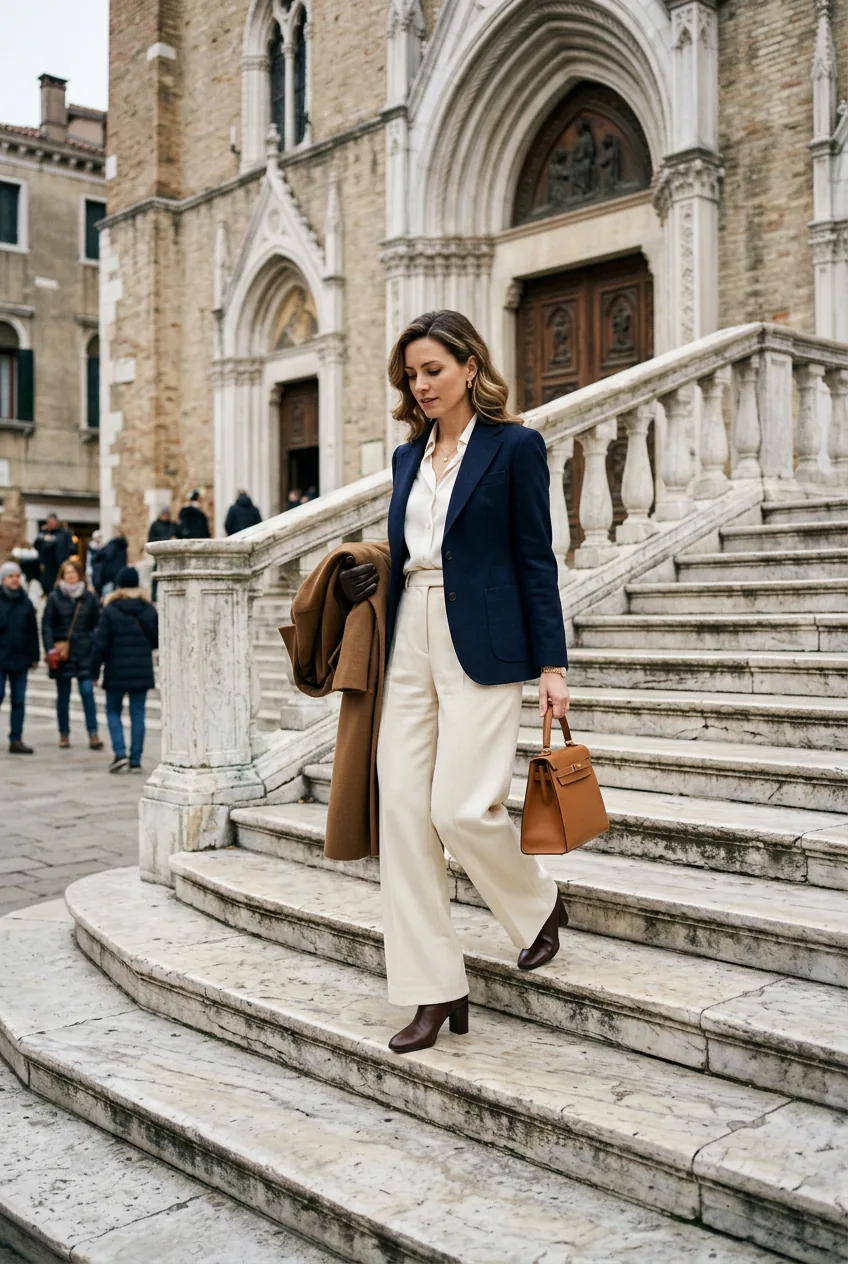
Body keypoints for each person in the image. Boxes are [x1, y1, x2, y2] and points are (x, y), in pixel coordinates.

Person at [339, 309, 570, 1056]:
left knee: (461, 809)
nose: (421, 385)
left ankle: (538, 907)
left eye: (433, 370)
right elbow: (408, 547)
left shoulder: (515, 448)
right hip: (410, 633)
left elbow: (536, 559)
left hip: (485, 640)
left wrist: (553, 666)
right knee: (403, 813)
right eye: (411, 375)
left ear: (471, 366)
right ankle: (433, 988)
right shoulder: (409, 459)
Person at [90, 566, 158, 773]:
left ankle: (120, 754)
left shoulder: (110, 610)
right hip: (141, 669)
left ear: (118, 585)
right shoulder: (148, 609)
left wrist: (94, 672)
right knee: (138, 714)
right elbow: (156, 641)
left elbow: (100, 644)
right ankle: (136, 760)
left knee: (113, 711)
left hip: (116, 669)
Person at [41, 558, 104, 750]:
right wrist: (50, 647)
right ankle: (64, 734)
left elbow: (97, 624)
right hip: (63, 654)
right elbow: (47, 625)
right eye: (67, 573)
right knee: (63, 695)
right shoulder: (54, 597)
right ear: (62, 576)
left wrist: (92, 642)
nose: (70, 576)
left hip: (84, 652)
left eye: (73, 573)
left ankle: (93, 733)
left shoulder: (89, 597)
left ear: (79, 575)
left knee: (87, 692)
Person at [0, 561, 40, 754]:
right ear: (3, 580)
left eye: (17, 576)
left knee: (18, 700)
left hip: (20, 659)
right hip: (0, 658)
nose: (15, 579)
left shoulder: (26, 602)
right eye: (10, 576)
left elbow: (32, 631)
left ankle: (16, 739)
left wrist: (34, 656)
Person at [34, 515, 73, 593]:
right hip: (47, 567)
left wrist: (50, 541)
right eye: (49, 523)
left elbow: (70, 548)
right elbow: (37, 545)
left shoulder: (64, 533)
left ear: (57, 522)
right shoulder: (44, 534)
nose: (50, 524)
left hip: (60, 565)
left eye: (52, 522)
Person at [147, 508, 178, 602]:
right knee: (156, 577)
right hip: (160, 556)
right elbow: (151, 539)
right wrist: (168, 539)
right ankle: (154, 598)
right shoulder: (155, 526)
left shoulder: (173, 525)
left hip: (172, 557)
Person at [92, 527, 128, 599]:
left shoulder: (112, 544)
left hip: (109, 574)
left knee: (108, 596)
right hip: (119, 573)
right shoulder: (123, 547)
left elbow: (108, 555)